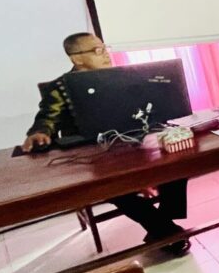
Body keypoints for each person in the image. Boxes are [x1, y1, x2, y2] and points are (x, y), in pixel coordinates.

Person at [22, 33, 191, 256]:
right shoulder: (61, 87)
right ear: (76, 58)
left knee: (177, 165)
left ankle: (162, 225)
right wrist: (40, 132)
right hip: (93, 157)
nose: (105, 55)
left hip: (132, 145)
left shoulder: (120, 78)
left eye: (104, 48)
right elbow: (47, 118)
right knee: (116, 188)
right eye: (97, 51)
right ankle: (164, 229)